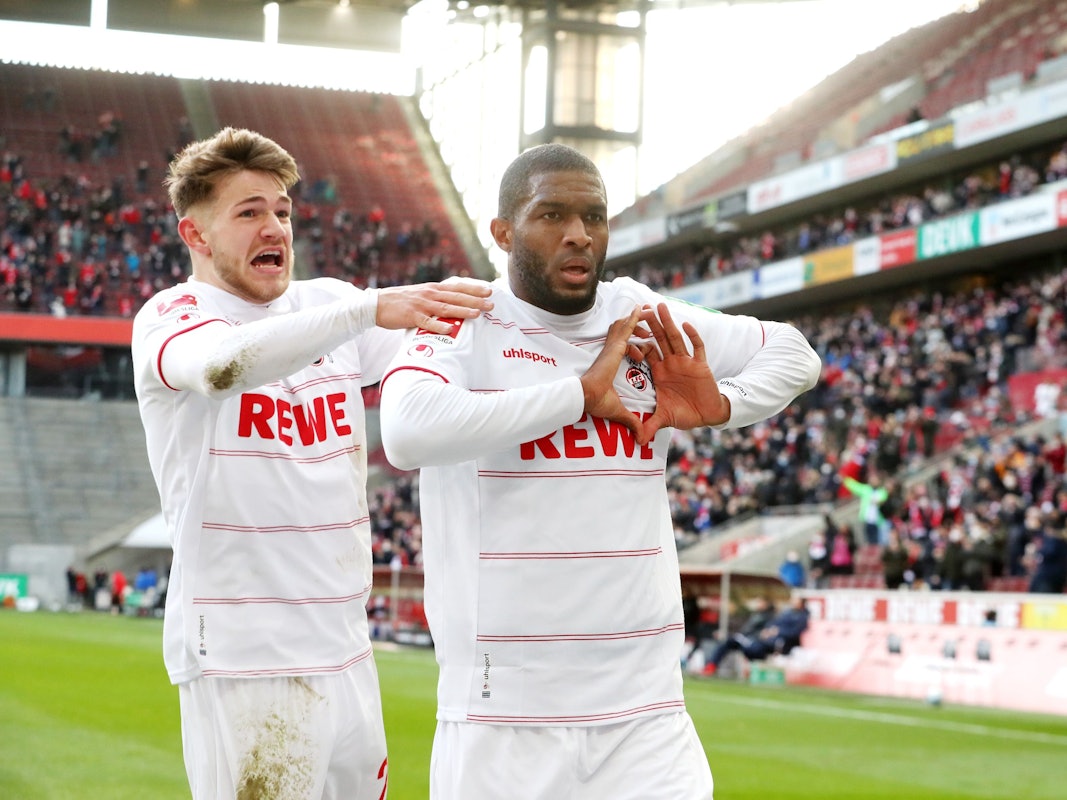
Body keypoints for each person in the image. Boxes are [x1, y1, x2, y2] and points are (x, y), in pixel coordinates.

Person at [377, 142, 821, 800]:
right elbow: (407, 431)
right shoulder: (463, 317)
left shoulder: (638, 315)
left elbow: (793, 352)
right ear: (503, 232)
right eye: (551, 216)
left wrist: (722, 405)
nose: (579, 235)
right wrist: (577, 396)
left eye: (594, 216)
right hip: (506, 713)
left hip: (644, 710)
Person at [130, 127, 493, 800]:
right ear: (196, 235)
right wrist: (367, 309)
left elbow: (450, 346)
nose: (274, 227)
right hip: (243, 655)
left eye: (282, 211)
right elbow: (219, 365)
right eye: (248, 212)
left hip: (344, 645)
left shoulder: (328, 305)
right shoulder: (172, 316)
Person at [703, 596, 810, 675]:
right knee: (728, 642)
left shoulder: (801, 617)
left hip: (771, 645)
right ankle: (711, 666)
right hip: (758, 640)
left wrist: (777, 632)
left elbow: (794, 632)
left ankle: (716, 665)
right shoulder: (785, 614)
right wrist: (767, 631)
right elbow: (770, 626)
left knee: (744, 644)